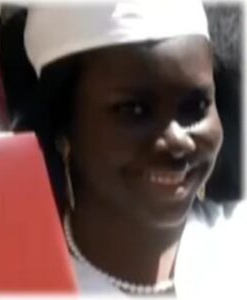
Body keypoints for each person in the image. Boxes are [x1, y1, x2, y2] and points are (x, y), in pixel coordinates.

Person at [23, 0, 247, 298]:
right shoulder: (12, 282)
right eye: (134, 109)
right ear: (64, 127)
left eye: (195, 107)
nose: (178, 140)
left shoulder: (235, 245)